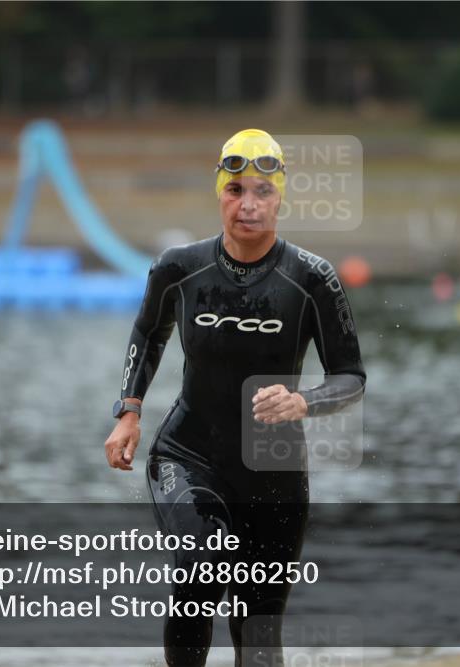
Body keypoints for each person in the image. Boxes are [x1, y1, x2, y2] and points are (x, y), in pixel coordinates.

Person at [104, 129, 366, 666]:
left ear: (280, 197)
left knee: (259, 635)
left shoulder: (313, 279)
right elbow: (147, 333)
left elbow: (351, 376)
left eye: (262, 192)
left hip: (275, 471)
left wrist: (305, 402)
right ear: (219, 193)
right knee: (204, 561)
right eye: (236, 190)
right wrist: (128, 412)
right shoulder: (180, 267)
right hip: (189, 453)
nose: (248, 205)